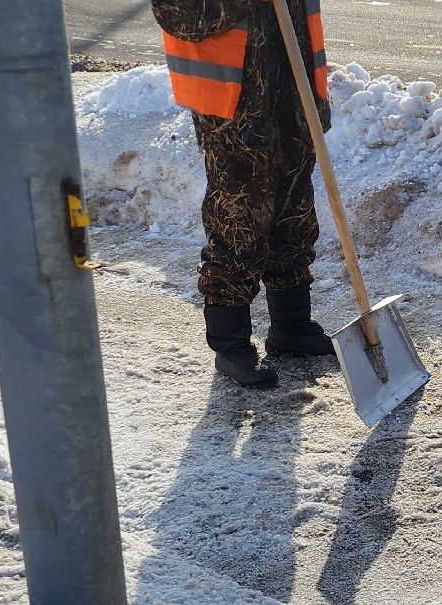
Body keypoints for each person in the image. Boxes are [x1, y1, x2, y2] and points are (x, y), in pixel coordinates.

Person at [153, 0, 334, 387]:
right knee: (239, 218)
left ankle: (291, 325)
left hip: (291, 85)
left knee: (295, 211)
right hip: (233, 102)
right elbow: (178, 13)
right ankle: (231, 345)